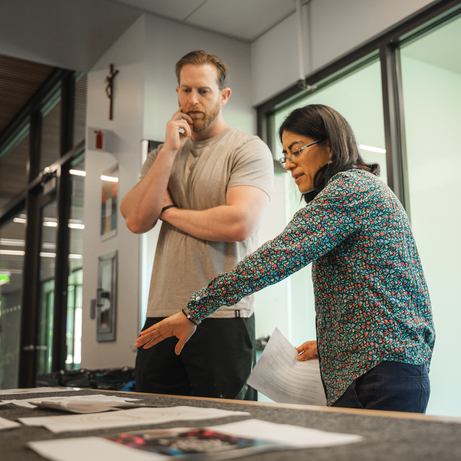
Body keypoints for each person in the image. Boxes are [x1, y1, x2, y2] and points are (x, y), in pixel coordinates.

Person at [135, 104, 436, 413]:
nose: (289, 164)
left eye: (296, 151)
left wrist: (193, 311)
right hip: (384, 367)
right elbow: (384, 296)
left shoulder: (350, 188)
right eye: (285, 155)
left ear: (330, 147)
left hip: (381, 375)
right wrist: (333, 347)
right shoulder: (364, 189)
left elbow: (277, 257)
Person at [121, 50, 274, 400]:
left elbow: (238, 222)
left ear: (224, 95)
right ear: (177, 92)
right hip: (161, 313)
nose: (193, 100)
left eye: (203, 91)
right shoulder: (161, 156)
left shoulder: (247, 149)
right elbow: (135, 218)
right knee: (152, 428)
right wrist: (168, 152)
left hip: (222, 314)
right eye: (186, 90)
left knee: (226, 433)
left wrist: (170, 213)